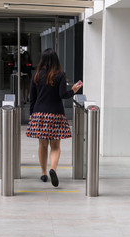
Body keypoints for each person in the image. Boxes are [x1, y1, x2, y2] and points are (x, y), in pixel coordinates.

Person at [25, 48, 82, 187]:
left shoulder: (36, 75)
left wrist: (32, 114)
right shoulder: (60, 75)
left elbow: (32, 97)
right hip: (55, 114)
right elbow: (63, 95)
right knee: (55, 146)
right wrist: (73, 90)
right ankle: (53, 169)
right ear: (56, 60)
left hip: (39, 113)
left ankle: (44, 173)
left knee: (42, 145)